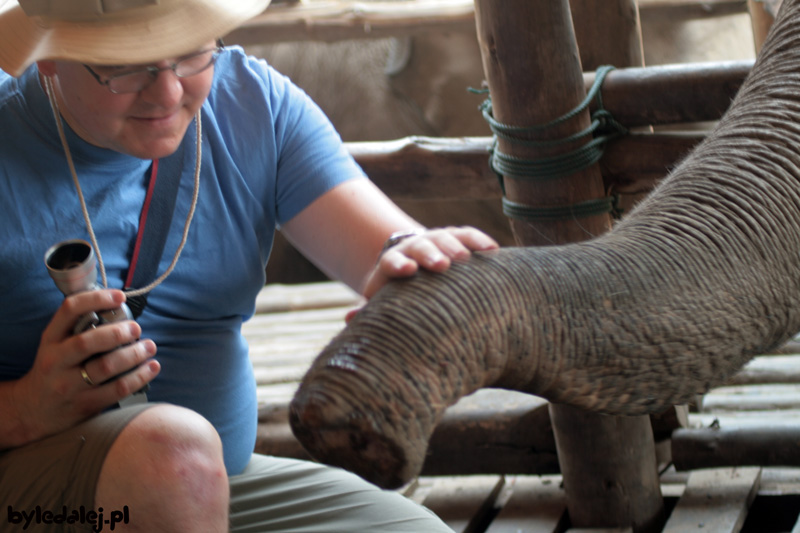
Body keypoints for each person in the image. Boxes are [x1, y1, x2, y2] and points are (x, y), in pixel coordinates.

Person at [0, 0, 499, 531]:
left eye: (191, 53)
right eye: (126, 65)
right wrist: (27, 408)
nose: (168, 93)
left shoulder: (254, 104)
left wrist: (410, 259)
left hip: (215, 486)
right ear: (50, 55)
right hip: (33, 495)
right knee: (171, 457)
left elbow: (385, 246)